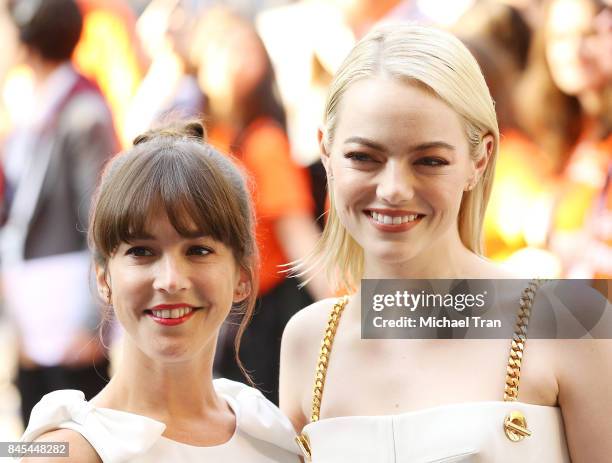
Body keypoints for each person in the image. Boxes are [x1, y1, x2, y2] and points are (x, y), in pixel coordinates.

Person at [280, 24, 612, 462]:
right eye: (364, 157)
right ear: (326, 151)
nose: (394, 188)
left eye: (429, 161)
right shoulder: (308, 340)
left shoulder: (571, 322)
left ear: (480, 158)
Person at [19, 121, 300, 462]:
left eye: (198, 250)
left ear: (243, 274)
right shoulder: (62, 452)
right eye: (141, 251)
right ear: (104, 276)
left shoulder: (271, 435)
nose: (170, 280)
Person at [193, 7, 330, 404]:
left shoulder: (264, 142)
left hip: (265, 315)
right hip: (223, 312)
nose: (236, 61)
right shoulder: (206, 139)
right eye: (225, 48)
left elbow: (300, 239)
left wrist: (350, 313)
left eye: (246, 50)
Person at [1, 0, 117, 426]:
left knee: (75, 433)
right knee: (33, 436)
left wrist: (93, 321)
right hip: (34, 308)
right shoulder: (31, 108)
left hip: (69, 313)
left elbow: (100, 223)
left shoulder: (82, 112)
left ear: (28, 39)